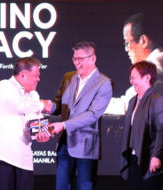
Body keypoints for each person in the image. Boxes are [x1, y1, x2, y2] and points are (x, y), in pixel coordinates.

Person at [41, 41, 112, 190]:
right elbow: (59, 106)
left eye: (81, 59)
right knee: (61, 186)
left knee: (85, 186)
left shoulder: (104, 83)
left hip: (85, 144)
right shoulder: (68, 77)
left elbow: (93, 114)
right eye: (75, 59)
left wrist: (64, 125)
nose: (77, 63)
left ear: (93, 58)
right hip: (64, 143)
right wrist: (47, 106)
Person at [105, 12, 163, 115]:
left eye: (128, 42)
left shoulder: (157, 66)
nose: (126, 49)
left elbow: (127, 105)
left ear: (143, 40)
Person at [0, 57, 45, 190]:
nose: (38, 79)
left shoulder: (33, 95)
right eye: (35, 75)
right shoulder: (4, 86)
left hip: (24, 159)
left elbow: (37, 122)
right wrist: (42, 105)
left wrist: (42, 133)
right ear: (23, 74)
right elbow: (20, 106)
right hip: (2, 156)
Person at [120, 61, 163, 190]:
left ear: (147, 77)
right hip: (135, 157)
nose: (131, 81)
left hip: (150, 158)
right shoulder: (133, 101)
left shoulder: (157, 100)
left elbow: (162, 130)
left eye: (133, 77)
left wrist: (156, 156)